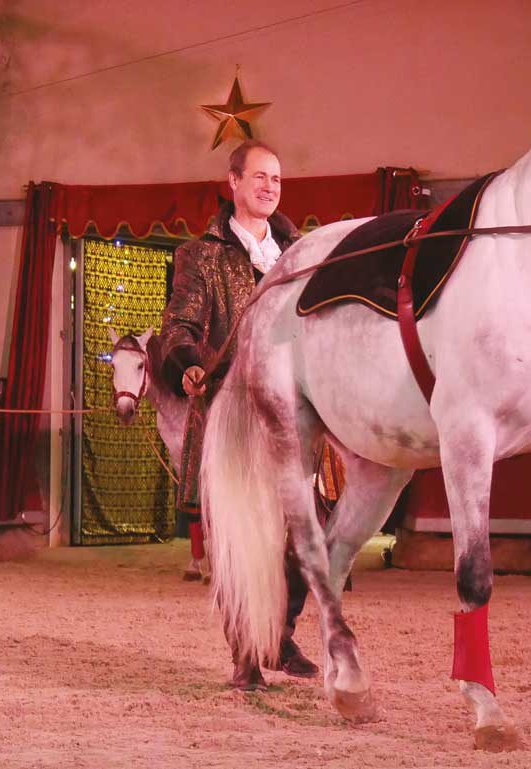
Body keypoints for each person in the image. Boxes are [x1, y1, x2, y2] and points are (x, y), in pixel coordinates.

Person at [160, 139, 317, 690]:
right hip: (230, 410)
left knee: (303, 539)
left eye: (276, 177)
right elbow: (178, 326)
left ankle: (279, 636)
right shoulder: (200, 255)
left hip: (294, 416)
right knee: (235, 541)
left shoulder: (301, 252)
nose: (270, 186)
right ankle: (246, 655)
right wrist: (187, 363)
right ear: (233, 182)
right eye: (259, 176)